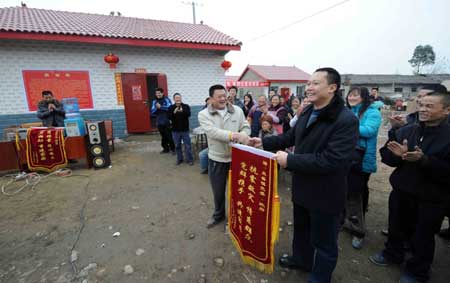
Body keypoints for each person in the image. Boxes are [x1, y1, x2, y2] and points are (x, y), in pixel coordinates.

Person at [249, 68, 358, 283]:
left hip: (326, 193)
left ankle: (319, 277)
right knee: (302, 230)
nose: (309, 87)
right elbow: (291, 136)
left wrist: (290, 161)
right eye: (308, 83)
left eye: (316, 83)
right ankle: (301, 260)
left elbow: (332, 160)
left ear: (332, 88)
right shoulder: (309, 111)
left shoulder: (345, 120)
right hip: (302, 186)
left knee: (324, 242)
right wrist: (264, 142)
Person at [369, 91, 450, 283]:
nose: (423, 109)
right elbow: (387, 156)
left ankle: (417, 271)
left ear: (447, 110)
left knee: (423, 236)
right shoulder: (408, 130)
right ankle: (393, 253)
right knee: (396, 227)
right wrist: (397, 156)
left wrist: (425, 160)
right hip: (401, 191)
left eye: (429, 106)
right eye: (421, 105)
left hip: (432, 197)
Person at [198, 84, 250, 229]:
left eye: (224, 95)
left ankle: (236, 218)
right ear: (211, 99)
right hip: (217, 159)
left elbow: (245, 126)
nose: (223, 99)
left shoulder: (237, 111)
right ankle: (218, 215)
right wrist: (234, 135)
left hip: (237, 158)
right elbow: (212, 132)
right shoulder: (203, 114)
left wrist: (244, 135)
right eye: (219, 96)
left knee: (238, 191)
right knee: (218, 190)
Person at [343, 87, 382, 249]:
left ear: (364, 97)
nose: (352, 97)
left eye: (356, 95)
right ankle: (347, 222)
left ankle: (359, 231)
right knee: (345, 190)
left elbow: (369, 130)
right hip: (346, 158)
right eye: (350, 95)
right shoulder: (348, 111)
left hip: (361, 159)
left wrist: (344, 127)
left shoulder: (373, 112)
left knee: (357, 194)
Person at [168, 93, 193, 166]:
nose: (178, 99)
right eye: (176, 98)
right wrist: (174, 112)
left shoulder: (185, 106)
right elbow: (169, 117)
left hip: (185, 130)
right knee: (177, 145)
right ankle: (179, 159)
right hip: (175, 130)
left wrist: (183, 111)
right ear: (174, 99)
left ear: (181, 98)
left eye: (179, 97)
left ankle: (190, 159)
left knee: (187, 146)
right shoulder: (171, 107)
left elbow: (188, 114)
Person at [151, 88, 175, 154]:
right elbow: (152, 111)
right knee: (163, 136)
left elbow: (170, 108)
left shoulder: (167, 99)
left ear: (162, 93)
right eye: (157, 93)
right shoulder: (154, 101)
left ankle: (173, 149)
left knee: (169, 136)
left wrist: (161, 107)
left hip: (167, 121)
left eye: (159, 93)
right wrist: (157, 108)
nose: (158, 94)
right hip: (159, 122)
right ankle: (165, 149)